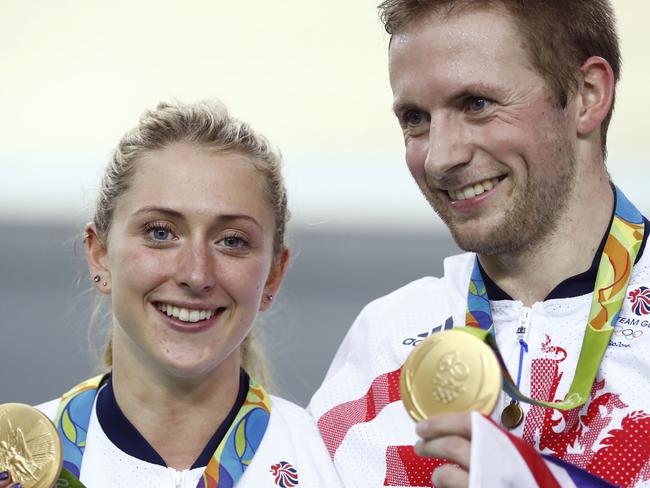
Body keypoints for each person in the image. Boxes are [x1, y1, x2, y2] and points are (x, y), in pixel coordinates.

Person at [309, 1, 650, 487]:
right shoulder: (386, 341)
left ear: (587, 94)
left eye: (476, 104)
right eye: (415, 118)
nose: (440, 159)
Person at [1, 100, 342, 487]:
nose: (196, 273)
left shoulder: (333, 468)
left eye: (231, 240)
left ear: (273, 276)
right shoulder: (15, 464)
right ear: (100, 256)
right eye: (160, 233)